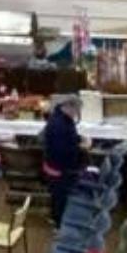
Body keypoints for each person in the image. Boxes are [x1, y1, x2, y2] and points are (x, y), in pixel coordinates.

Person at [42, 95, 87, 227]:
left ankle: (56, 218)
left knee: (57, 196)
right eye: (76, 110)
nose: (77, 114)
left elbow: (69, 136)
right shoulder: (59, 124)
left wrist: (79, 139)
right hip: (59, 168)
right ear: (68, 107)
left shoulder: (62, 118)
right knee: (60, 197)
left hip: (56, 166)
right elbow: (61, 150)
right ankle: (59, 224)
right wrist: (79, 147)